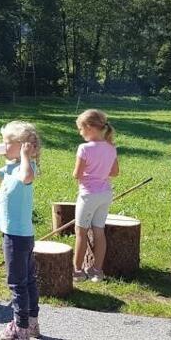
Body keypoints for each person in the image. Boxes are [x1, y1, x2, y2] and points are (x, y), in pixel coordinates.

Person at [0, 121, 42, 340]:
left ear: (22, 146)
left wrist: (26, 155)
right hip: (14, 232)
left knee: (18, 282)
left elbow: (27, 177)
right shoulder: (10, 167)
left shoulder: (26, 167)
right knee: (27, 280)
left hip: (18, 235)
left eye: (7, 143)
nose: (3, 146)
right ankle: (32, 324)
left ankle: (20, 328)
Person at [72, 109, 119, 283]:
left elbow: (77, 174)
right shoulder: (111, 147)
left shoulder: (84, 148)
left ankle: (77, 271)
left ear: (90, 127)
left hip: (88, 195)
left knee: (81, 232)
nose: (80, 132)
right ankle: (97, 271)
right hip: (105, 193)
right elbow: (115, 172)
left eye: (81, 129)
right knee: (99, 231)